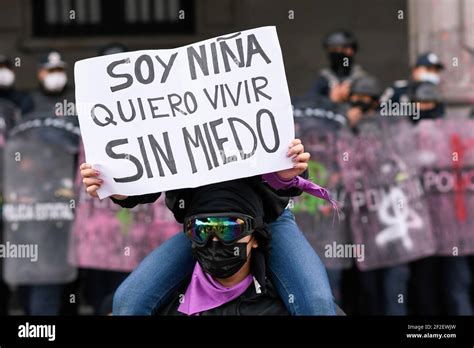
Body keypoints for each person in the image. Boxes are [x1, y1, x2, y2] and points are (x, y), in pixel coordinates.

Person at [80, 139, 338, 315]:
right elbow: (148, 179)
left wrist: (288, 175)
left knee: (316, 303)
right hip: (201, 226)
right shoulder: (172, 118)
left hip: (268, 220)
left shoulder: (258, 98)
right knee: (129, 301)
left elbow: (292, 177)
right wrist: (119, 188)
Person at [158, 194, 288, 315]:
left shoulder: (279, 308)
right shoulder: (168, 306)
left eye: (228, 229)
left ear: (255, 238)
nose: (215, 241)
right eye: (204, 229)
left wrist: (284, 179)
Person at [380, 52, 445, 123]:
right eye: (428, 69)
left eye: (436, 71)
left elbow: (439, 121)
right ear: (415, 70)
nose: (432, 73)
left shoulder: (437, 95)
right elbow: (380, 114)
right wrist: (411, 108)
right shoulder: (398, 90)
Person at [308, 30, 367, 106]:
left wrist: (352, 97)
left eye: (336, 50)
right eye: (331, 50)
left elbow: (372, 107)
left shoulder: (362, 78)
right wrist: (331, 100)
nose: (333, 54)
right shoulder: (323, 79)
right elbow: (310, 102)